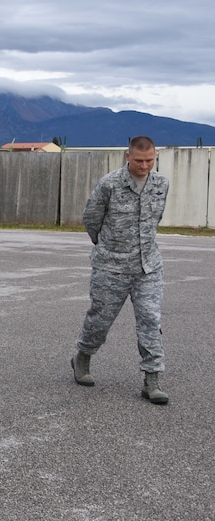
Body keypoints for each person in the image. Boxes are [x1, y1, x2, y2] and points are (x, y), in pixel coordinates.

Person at [71, 136, 170, 405]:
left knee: (150, 320)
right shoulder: (110, 184)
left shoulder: (161, 184)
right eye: (139, 160)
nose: (144, 165)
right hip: (111, 267)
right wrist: (106, 247)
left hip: (148, 267)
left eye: (150, 160)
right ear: (128, 157)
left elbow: (155, 220)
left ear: (155, 156)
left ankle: (152, 379)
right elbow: (91, 218)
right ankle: (83, 356)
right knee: (100, 320)